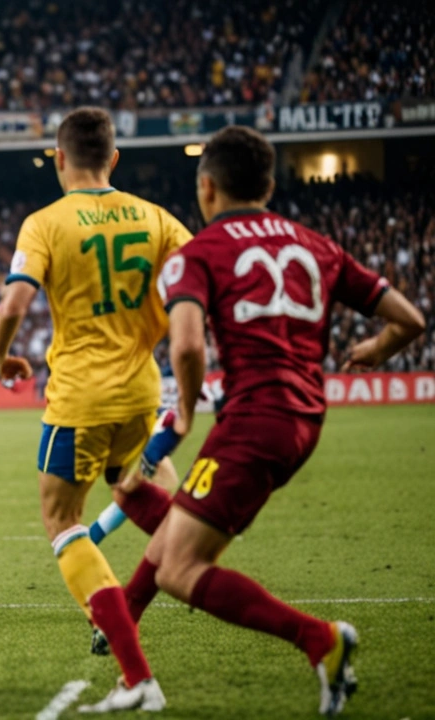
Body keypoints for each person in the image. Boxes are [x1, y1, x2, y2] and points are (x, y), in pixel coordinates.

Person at [129, 126, 426, 716]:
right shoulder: (318, 245)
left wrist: (185, 410)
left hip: (253, 419)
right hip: (305, 421)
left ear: (206, 188)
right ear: (268, 185)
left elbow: (187, 348)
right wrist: (375, 351)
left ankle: (319, 640)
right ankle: (119, 618)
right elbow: (410, 319)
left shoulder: (197, 254)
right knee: (175, 534)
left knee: (181, 569)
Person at [0, 107, 193, 711]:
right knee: (141, 492)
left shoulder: (45, 223)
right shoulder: (160, 220)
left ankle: (126, 651)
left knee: (63, 521)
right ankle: (182, 563)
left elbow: (12, 307)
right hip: (143, 392)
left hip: (80, 396)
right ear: (115, 159)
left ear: (58, 159)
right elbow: (194, 291)